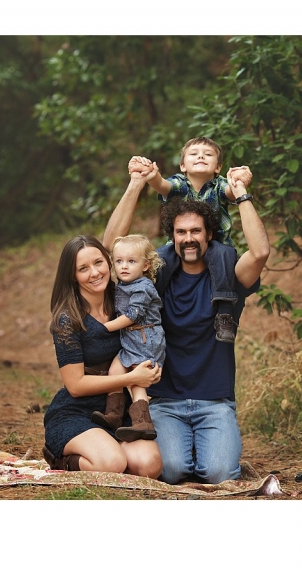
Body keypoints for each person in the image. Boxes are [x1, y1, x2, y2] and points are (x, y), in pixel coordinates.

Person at [103, 165, 270, 485]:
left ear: (209, 233)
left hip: (216, 402)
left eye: (196, 231)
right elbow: (112, 246)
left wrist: (241, 194)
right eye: (181, 232)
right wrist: (136, 184)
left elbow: (260, 252)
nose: (189, 238)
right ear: (172, 236)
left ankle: (210, 446)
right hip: (165, 402)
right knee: (172, 470)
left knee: (219, 473)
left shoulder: (228, 275)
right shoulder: (156, 276)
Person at [42, 235, 162, 477]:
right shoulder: (68, 320)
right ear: (72, 275)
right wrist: (130, 379)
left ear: (109, 263)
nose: (95, 273)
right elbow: (75, 386)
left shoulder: (124, 300)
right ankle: (62, 460)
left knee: (149, 466)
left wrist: (151, 368)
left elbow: (148, 336)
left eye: (98, 262)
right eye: (83, 268)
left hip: (117, 409)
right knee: (111, 464)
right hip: (76, 411)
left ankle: (107, 448)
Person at [128, 137, 253, 344]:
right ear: (183, 165)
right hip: (180, 244)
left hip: (216, 243)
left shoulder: (219, 185)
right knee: (160, 259)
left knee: (224, 254)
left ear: (218, 167)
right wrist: (151, 174)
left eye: (208, 154)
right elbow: (162, 185)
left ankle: (224, 312)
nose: (201, 156)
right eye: (194, 154)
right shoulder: (179, 183)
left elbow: (232, 191)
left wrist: (238, 181)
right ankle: (151, 307)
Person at [90, 234, 166, 442]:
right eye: (119, 261)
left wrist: (104, 328)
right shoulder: (123, 284)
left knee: (136, 380)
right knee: (115, 371)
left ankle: (143, 423)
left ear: (145, 265)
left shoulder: (143, 287)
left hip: (145, 337)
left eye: (131, 261)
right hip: (131, 339)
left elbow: (133, 315)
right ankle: (114, 415)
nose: (124, 266)